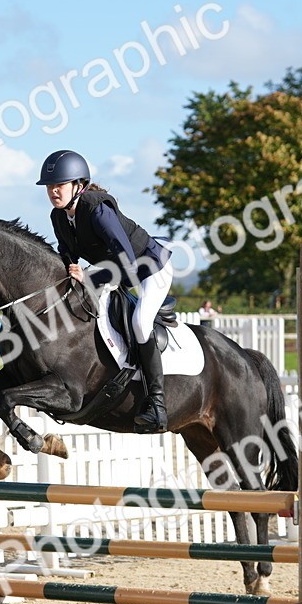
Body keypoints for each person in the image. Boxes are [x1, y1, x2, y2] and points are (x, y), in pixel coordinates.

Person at [37, 149, 173, 433]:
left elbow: (128, 262)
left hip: (149, 269)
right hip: (115, 272)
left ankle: (157, 404)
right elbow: (67, 256)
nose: (53, 191)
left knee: (140, 322)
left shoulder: (98, 210)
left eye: (58, 185)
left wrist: (86, 275)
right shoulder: (59, 217)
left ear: (78, 185)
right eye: (50, 186)